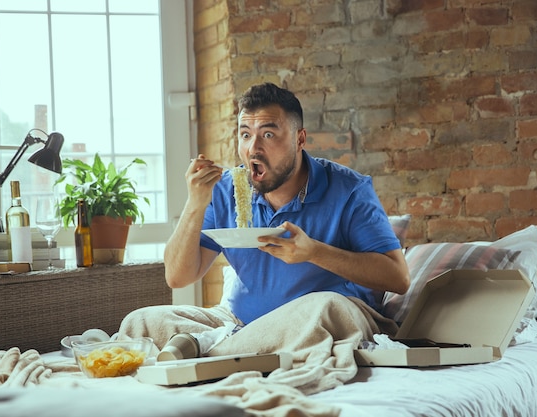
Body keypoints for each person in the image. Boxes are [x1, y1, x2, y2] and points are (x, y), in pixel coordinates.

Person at [119, 82, 410, 351]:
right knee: (140, 322)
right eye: (246, 135)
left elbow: (398, 278)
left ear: (300, 139)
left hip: (324, 319)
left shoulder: (349, 190)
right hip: (240, 322)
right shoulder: (225, 190)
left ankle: (209, 350)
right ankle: (231, 348)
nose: (253, 148)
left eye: (268, 135)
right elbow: (178, 277)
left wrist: (314, 252)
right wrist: (195, 203)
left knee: (325, 309)